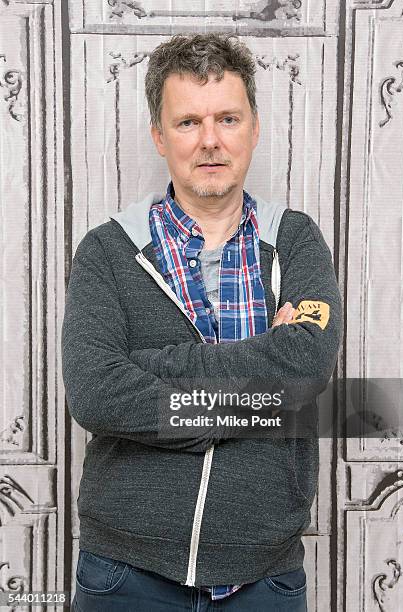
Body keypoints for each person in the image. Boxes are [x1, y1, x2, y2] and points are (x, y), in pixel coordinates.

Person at [63, 33, 342, 612]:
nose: (210, 140)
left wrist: (151, 371)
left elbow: (308, 364)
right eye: (188, 122)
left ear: (254, 128)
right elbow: (96, 395)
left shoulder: (294, 239)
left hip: (264, 578)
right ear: (159, 136)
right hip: (125, 574)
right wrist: (265, 373)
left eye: (228, 118)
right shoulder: (108, 251)